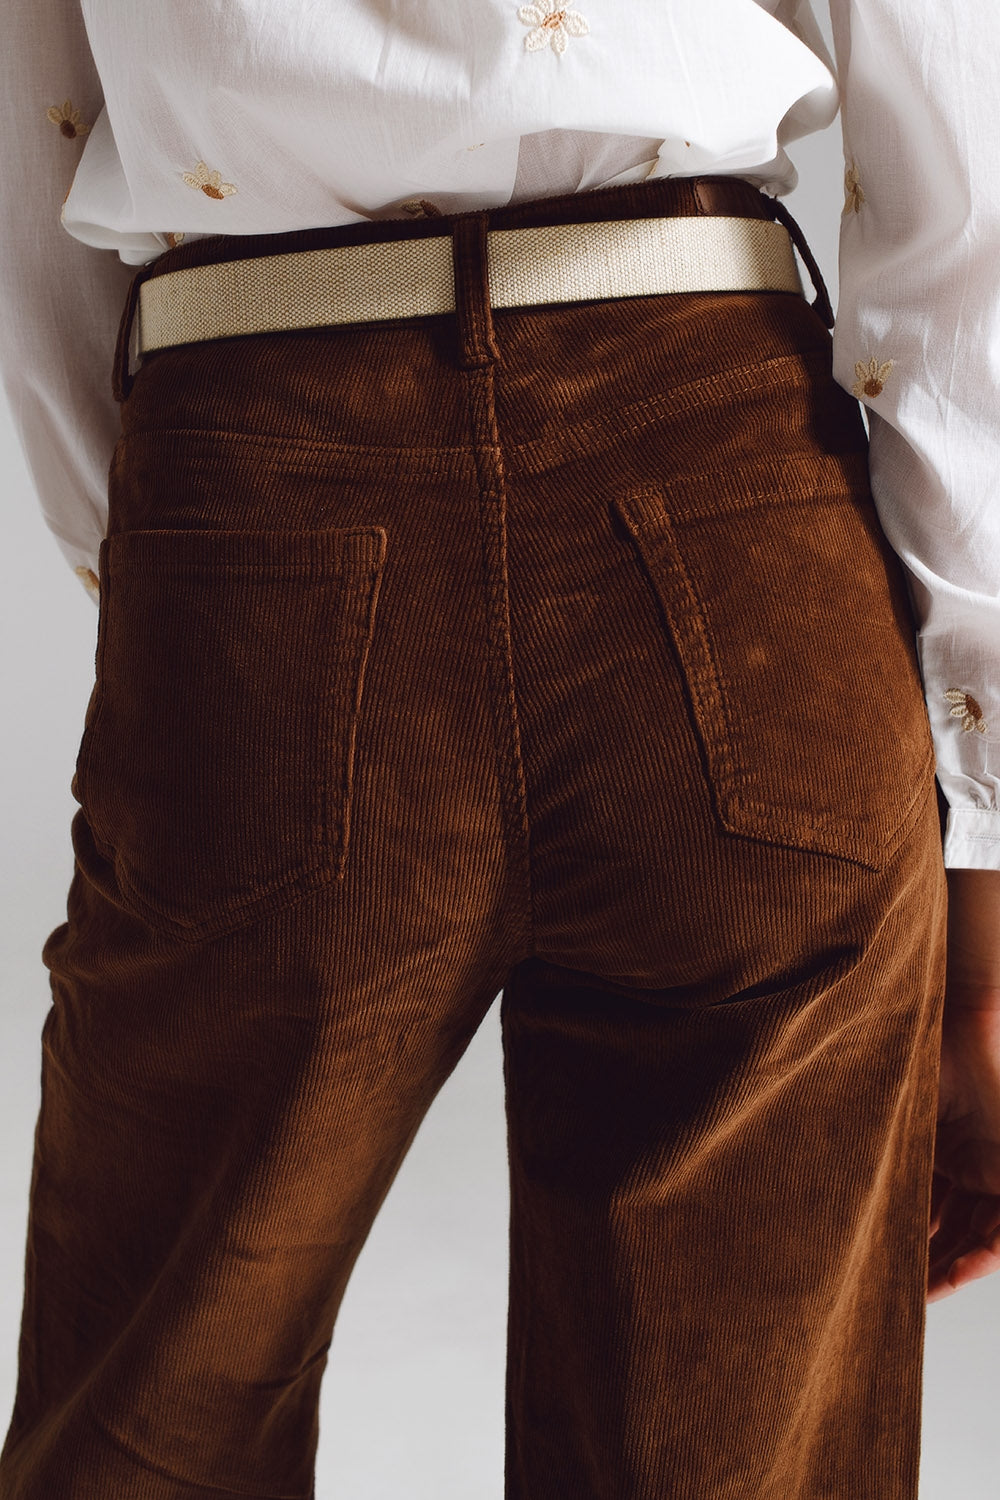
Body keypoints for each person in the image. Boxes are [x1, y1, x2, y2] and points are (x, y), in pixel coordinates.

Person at [1, 2, 998, 1496]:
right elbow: (960, 145)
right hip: (725, 495)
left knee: (153, 1422)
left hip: (264, 480)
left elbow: (39, 119)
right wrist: (984, 852)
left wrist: (167, 587)